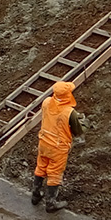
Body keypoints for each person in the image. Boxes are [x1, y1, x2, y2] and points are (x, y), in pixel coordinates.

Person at [31, 81, 85, 213]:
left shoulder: (46, 102)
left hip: (43, 142)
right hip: (58, 147)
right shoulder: (69, 112)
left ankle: (35, 195)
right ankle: (51, 203)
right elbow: (78, 131)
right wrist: (83, 121)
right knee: (55, 173)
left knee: (41, 167)